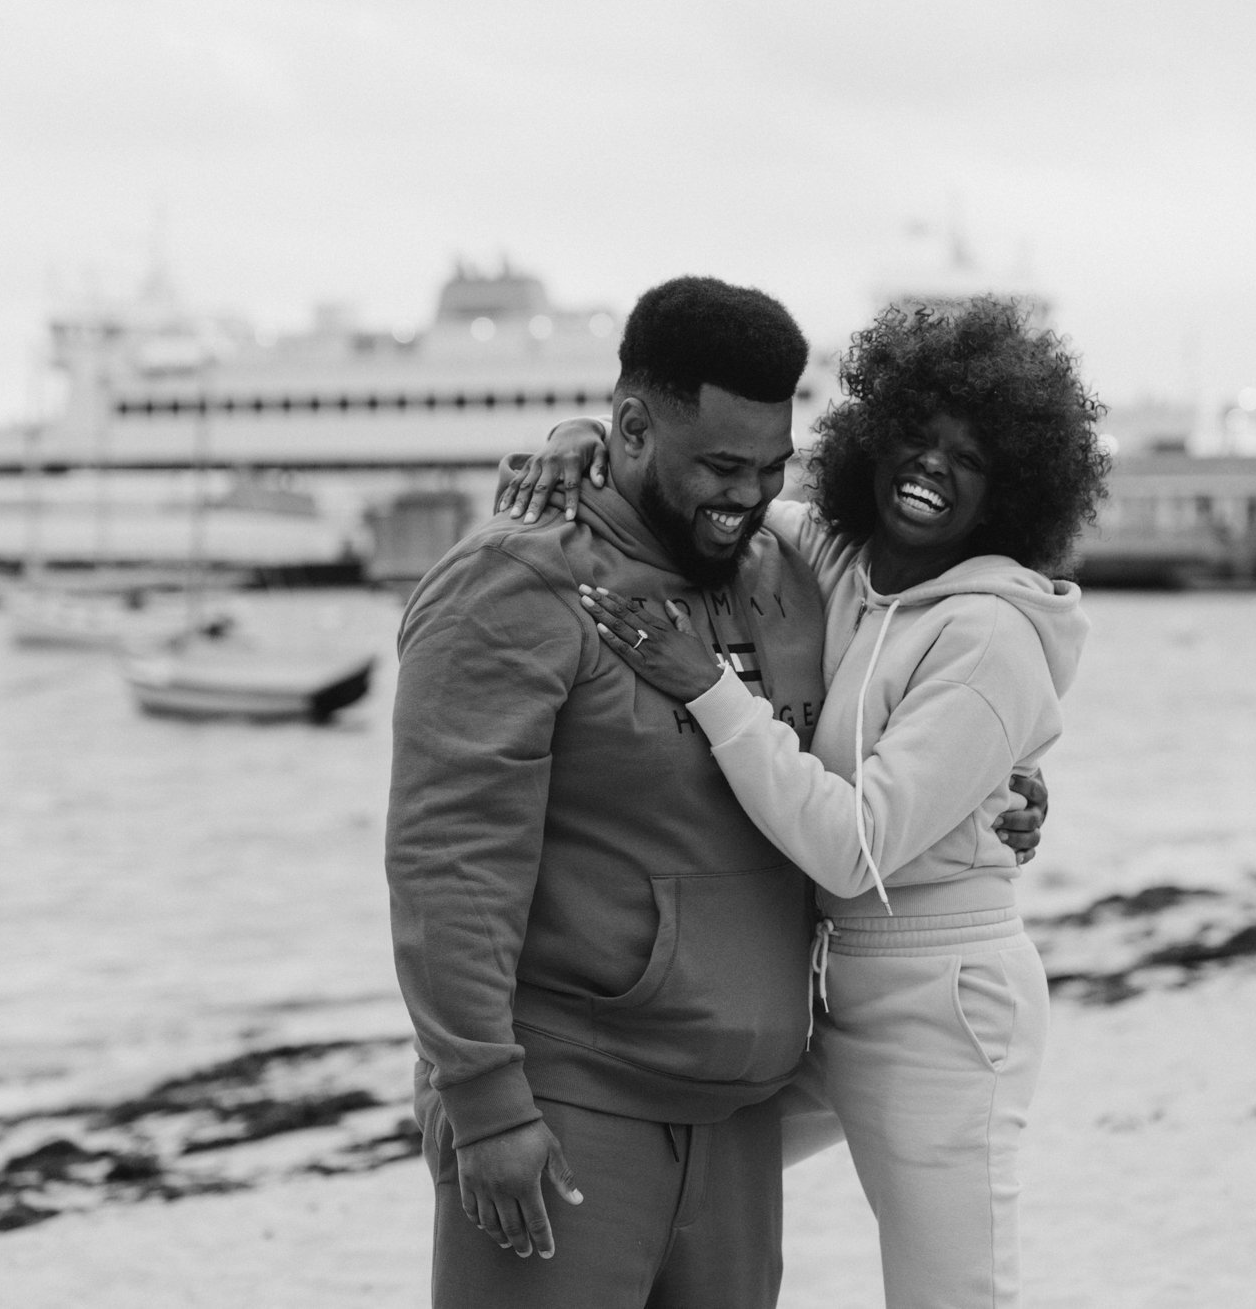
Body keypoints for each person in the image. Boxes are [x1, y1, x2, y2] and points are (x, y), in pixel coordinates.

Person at [385, 277, 1045, 1309]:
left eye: (769, 466)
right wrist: (483, 1100)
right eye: (720, 467)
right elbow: (447, 861)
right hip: (572, 1102)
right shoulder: (514, 587)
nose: (744, 493)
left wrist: (991, 786)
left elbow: (887, 716)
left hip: (742, 1116)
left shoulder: (777, 568)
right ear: (635, 428)